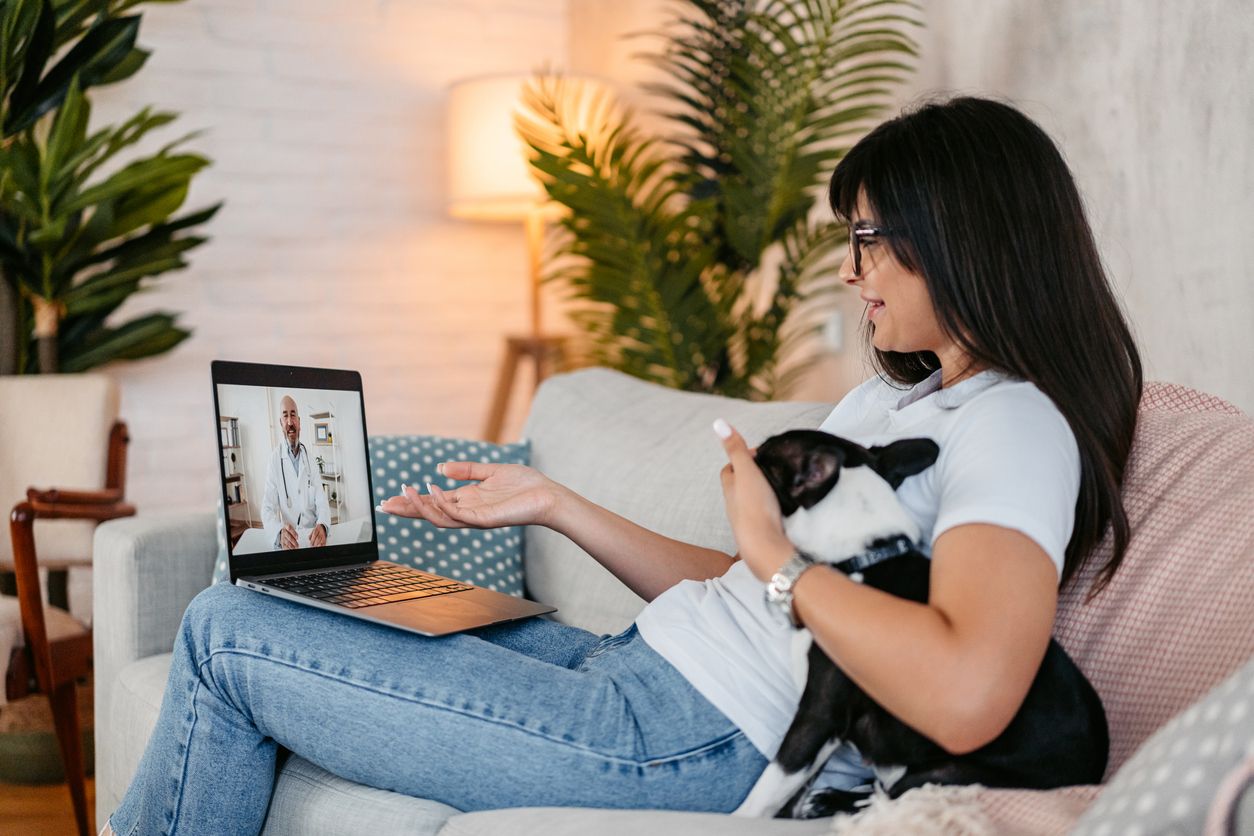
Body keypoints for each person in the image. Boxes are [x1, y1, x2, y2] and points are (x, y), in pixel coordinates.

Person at [102, 96, 1141, 835]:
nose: (850, 268)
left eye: (870, 238)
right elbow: (750, 594)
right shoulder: (893, 398)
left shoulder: (1015, 424)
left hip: (686, 736)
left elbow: (969, 693)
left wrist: (776, 556)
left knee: (226, 634)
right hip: (628, 667)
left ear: (961, 241)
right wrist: (556, 504)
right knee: (279, 596)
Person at [261, 394, 331, 550]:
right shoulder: (274, 460)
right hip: (290, 542)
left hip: (314, 539)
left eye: (293, 415)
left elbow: (321, 499)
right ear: (280, 423)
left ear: (299, 422)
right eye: (285, 416)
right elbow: (267, 509)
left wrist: (323, 526)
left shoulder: (310, 460)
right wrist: (279, 533)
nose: (289, 422)